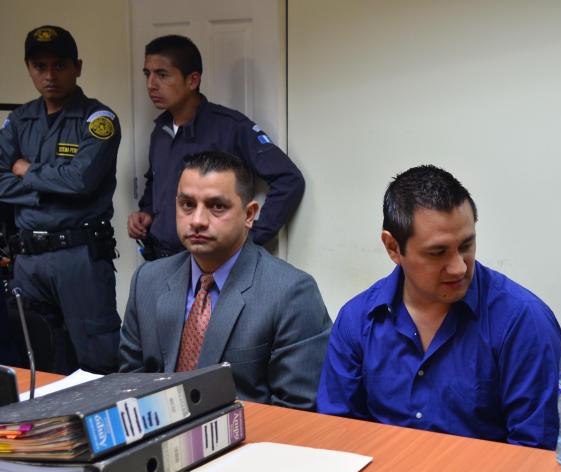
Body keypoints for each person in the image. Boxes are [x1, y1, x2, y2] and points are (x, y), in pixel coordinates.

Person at [317, 164, 561, 448]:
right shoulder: (358, 320)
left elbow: (537, 454)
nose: (459, 268)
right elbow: (339, 435)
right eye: (438, 253)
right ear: (393, 248)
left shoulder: (524, 321)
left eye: (466, 246)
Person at [119, 150, 331, 411]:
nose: (197, 220)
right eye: (187, 205)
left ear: (250, 214)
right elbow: (130, 386)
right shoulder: (147, 280)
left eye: (217, 206)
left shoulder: (290, 293)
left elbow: (298, 412)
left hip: (248, 445)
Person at [0, 25, 121, 373]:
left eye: (60, 65)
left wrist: (26, 171)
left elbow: (82, 181)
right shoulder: (19, 120)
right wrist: (49, 184)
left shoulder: (98, 119)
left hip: (78, 256)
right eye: (40, 66)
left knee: (97, 361)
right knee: (35, 359)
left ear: (78, 67)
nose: (49, 75)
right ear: (28, 67)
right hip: (28, 259)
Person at [127, 34, 304, 259]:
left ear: (192, 80)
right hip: (161, 261)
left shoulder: (230, 127)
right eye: (147, 74)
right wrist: (146, 213)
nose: (151, 84)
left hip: (210, 263)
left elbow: (289, 180)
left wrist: (251, 239)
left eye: (162, 74)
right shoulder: (161, 129)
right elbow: (156, 182)